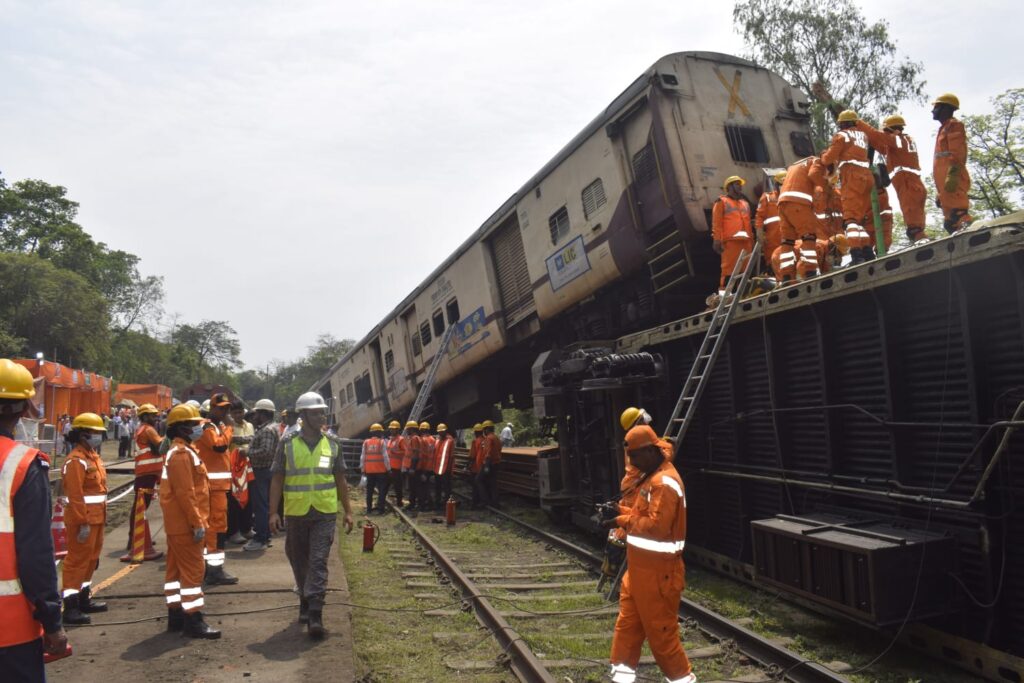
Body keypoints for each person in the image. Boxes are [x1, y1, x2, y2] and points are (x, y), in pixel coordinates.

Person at [604, 425, 693, 683]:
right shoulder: (651, 476)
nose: (631, 463)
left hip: (659, 575)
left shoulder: (664, 483)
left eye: (634, 457)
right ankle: (621, 677)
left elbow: (656, 527)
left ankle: (683, 679)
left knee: (662, 636)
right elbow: (640, 514)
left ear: (649, 451)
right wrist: (617, 510)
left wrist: (620, 520)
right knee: (628, 627)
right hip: (640, 571)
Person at [0, 359, 68, 679]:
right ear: (25, 408)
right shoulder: (23, 465)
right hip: (10, 632)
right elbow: (36, 556)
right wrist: (52, 621)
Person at [269, 392, 354, 639]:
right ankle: (305, 599)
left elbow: (340, 479)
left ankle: (315, 612)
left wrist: (348, 511)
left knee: (318, 560)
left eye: (322, 412)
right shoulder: (287, 443)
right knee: (298, 559)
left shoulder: (333, 443)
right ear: (303, 416)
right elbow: (277, 478)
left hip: (325, 512)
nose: (321, 416)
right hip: (296, 512)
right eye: (315, 413)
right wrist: (273, 512)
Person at [159, 403, 220, 639]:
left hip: (178, 524)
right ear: (183, 429)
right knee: (194, 573)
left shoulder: (180, 452)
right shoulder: (182, 455)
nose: (198, 428)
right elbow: (186, 494)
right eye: (195, 425)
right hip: (186, 525)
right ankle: (194, 621)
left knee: (175, 572)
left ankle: (176, 616)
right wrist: (197, 524)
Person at [60, 412, 110, 625]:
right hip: (84, 521)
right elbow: (75, 495)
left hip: (97, 518)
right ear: (82, 435)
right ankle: (70, 606)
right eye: (94, 433)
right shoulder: (75, 461)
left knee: (91, 559)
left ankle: (83, 597)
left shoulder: (92, 457)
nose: (98, 436)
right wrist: (81, 523)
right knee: (76, 561)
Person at [855, 114, 929, 244]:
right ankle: (919, 238)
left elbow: (874, 135)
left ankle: (920, 239)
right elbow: (881, 145)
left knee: (913, 217)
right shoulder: (900, 144)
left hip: (908, 183)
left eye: (886, 131)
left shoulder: (898, 140)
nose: (885, 134)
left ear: (894, 130)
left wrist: (856, 122)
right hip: (911, 183)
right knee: (914, 215)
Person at [192, 392, 238, 586]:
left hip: (217, 487)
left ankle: (208, 568)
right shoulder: (208, 427)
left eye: (227, 408)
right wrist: (230, 428)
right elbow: (218, 447)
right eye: (222, 408)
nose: (225, 411)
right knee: (216, 527)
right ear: (212, 408)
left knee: (216, 527)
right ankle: (214, 570)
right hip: (212, 488)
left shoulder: (215, 427)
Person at [822, 110, 874, 264]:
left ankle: (857, 255)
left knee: (850, 220)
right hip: (867, 177)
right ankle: (868, 253)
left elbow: (829, 158)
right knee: (858, 221)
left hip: (852, 176)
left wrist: (823, 157)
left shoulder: (842, 135)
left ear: (843, 123)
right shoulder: (863, 135)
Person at [120, 403, 164, 562]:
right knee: (140, 507)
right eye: (152, 415)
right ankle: (134, 539)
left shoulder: (141, 429)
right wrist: (170, 436)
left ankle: (136, 537)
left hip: (146, 472)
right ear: (144, 416)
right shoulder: (148, 429)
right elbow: (161, 445)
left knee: (140, 506)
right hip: (148, 472)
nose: (155, 417)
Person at [777, 156, 829, 282]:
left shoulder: (796, 164)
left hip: (783, 203)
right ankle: (810, 271)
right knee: (808, 236)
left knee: (787, 242)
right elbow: (814, 174)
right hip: (798, 201)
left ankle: (786, 276)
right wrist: (826, 187)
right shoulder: (817, 161)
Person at [932, 93, 972, 233]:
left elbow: (957, 153)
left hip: (953, 177)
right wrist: (940, 192)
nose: (933, 111)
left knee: (959, 213)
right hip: (945, 182)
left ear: (946, 108)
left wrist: (953, 175)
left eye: (936, 107)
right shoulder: (943, 128)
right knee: (950, 222)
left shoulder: (954, 125)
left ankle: (967, 229)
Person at [244, 399, 279, 552]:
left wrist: (247, 452)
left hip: (262, 471)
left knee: (260, 505)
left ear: (263, 414)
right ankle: (265, 535)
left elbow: (266, 451)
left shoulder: (266, 431)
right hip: (265, 471)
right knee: (263, 504)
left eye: (257, 412)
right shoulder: (267, 428)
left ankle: (261, 537)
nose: (254, 415)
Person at [710, 175, 753, 293]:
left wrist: (752, 242)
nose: (740, 187)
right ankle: (723, 296)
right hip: (731, 242)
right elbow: (716, 223)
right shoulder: (722, 201)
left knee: (745, 271)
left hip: (746, 242)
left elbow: (749, 223)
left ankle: (743, 294)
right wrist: (717, 239)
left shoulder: (745, 203)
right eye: (737, 184)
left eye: (740, 184)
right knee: (729, 270)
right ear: (729, 187)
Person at [227, 401, 254, 545]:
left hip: (247, 467)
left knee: (248, 499)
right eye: (235, 412)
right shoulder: (228, 427)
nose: (238, 415)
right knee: (235, 501)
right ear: (231, 414)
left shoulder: (249, 426)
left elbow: (252, 442)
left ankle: (246, 528)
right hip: (233, 468)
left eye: (240, 412)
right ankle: (234, 531)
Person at [754, 171, 785, 270]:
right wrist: (759, 232)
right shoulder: (767, 198)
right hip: (773, 239)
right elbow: (759, 217)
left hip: (790, 237)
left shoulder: (791, 198)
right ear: (776, 184)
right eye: (781, 184)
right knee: (773, 263)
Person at [360, 423, 390, 514]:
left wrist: (362, 470)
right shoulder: (381, 442)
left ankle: (369, 509)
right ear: (378, 432)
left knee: (369, 490)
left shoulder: (366, 442)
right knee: (381, 490)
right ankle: (381, 509)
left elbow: (362, 457)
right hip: (381, 471)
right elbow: (385, 457)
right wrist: (389, 469)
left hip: (369, 471)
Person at [432, 424, 455, 511]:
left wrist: (450, 469)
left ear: (445, 431)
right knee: (437, 487)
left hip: (446, 469)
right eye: (439, 432)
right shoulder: (437, 440)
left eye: (442, 431)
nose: (441, 433)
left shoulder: (450, 440)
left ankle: (447, 504)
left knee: (447, 488)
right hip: (437, 468)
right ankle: (437, 503)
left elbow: (451, 456)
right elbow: (435, 454)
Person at [384, 420, 406, 507]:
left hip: (397, 468)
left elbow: (405, 452)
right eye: (391, 429)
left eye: (393, 429)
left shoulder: (401, 439)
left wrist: (395, 452)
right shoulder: (390, 440)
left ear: (397, 430)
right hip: (389, 467)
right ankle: (382, 502)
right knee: (386, 485)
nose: (392, 430)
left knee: (398, 486)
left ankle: (399, 502)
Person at [481, 420, 503, 507]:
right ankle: (495, 502)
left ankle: (485, 501)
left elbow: (488, 453)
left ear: (486, 429)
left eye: (484, 430)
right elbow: (499, 449)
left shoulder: (489, 438)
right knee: (493, 483)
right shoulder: (496, 437)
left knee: (478, 480)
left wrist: (486, 467)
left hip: (489, 464)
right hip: (496, 463)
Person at [415, 421, 435, 511]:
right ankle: (430, 504)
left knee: (422, 488)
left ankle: (422, 505)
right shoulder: (433, 439)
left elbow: (422, 456)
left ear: (421, 430)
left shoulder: (422, 440)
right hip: (431, 467)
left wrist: (421, 471)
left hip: (424, 468)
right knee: (428, 487)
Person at [402, 421, 421, 510]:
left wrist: (413, 468)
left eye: (408, 429)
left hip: (413, 467)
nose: (406, 431)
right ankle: (412, 503)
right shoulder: (412, 438)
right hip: (410, 466)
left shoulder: (415, 439)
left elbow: (415, 453)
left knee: (414, 486)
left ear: (412, 429)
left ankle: (414, 504)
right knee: (412, 486)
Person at [469, 423, 485, 508]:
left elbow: (472, 456)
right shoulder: (485, 440)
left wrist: (468, 465)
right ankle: (482, 501)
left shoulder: (475, 441)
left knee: (475, 485)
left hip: (476, 467)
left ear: (476, 432)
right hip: (484, 466)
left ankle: (475, 502)